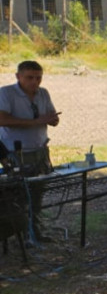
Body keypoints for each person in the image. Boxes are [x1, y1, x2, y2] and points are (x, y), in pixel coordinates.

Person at [0, 60, 61, 240]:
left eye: (38, 78)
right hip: (15, 152)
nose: (35, 82)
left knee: (37, 193)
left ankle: (35, 232)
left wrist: (51, 120)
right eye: (30, 78)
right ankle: (19, 233)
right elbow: (2, 119)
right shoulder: (6, 93)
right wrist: (35, 122)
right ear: (18, 77)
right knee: (18, 195)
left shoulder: (43, 93)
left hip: (40, 150)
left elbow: (53, 117)